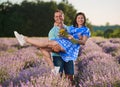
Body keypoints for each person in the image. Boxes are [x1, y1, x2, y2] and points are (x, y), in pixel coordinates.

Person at [14, 10, 90, 81]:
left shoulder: (77, 28)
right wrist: (62, 31)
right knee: (43, 47)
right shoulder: (68, 28)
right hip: (60, 50)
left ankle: (24, 39)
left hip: (68, 49)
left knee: (69, 77)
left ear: (63, 17)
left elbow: (80, 41)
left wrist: (71, 38)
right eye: (78, 18)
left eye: (82, 18)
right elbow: (65, 34)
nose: (80, 19)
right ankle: (53, 68)